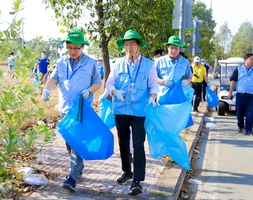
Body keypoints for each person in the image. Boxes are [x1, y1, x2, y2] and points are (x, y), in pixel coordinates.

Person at [41, 29, 102, 191]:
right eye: (70, 48)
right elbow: (53, 79)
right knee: (69, 142)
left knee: (76, 143)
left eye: (76, 48)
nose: (73, 51)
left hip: (81, 110)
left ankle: (72, 177)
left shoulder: (91, 63)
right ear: (66, 47)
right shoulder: (61, 62)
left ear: (83, 47)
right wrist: (47, 89)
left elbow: (97, 82)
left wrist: (90, 90)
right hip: (65, 110)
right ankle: (78, 169)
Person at [106, 29, 158, 196]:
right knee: (122, 143)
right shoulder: (117, 64)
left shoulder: (149, 65)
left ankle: (137, 180)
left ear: (139, 46)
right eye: (126, 44)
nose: (129, 47)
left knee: (137, 144)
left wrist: (153, 97)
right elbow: (109, 84)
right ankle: (127, 172)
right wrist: (115, 92)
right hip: (120, 109)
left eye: (132, 44)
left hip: (139, 110)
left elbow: (154, 86)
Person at [228, 53, 253, 135]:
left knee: (251, 113)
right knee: (239, 112)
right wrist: (230, 92)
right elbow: (233, 81)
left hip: (252, 96)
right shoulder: (238, 69)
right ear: (246, 60)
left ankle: (249, 129)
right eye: (251, 59)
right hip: (241, 94)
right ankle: (240, 126)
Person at [155, 35, 192, 103]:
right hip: (163, 98)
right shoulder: (159, 61)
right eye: (171, 48)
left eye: (176, 48)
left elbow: (189, 77)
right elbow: (153, 78)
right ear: (167, 47)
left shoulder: (185, 62)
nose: (173, 51)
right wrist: (163, 82)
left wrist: (186, 82)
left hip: (179, 97)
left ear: (179, 49)